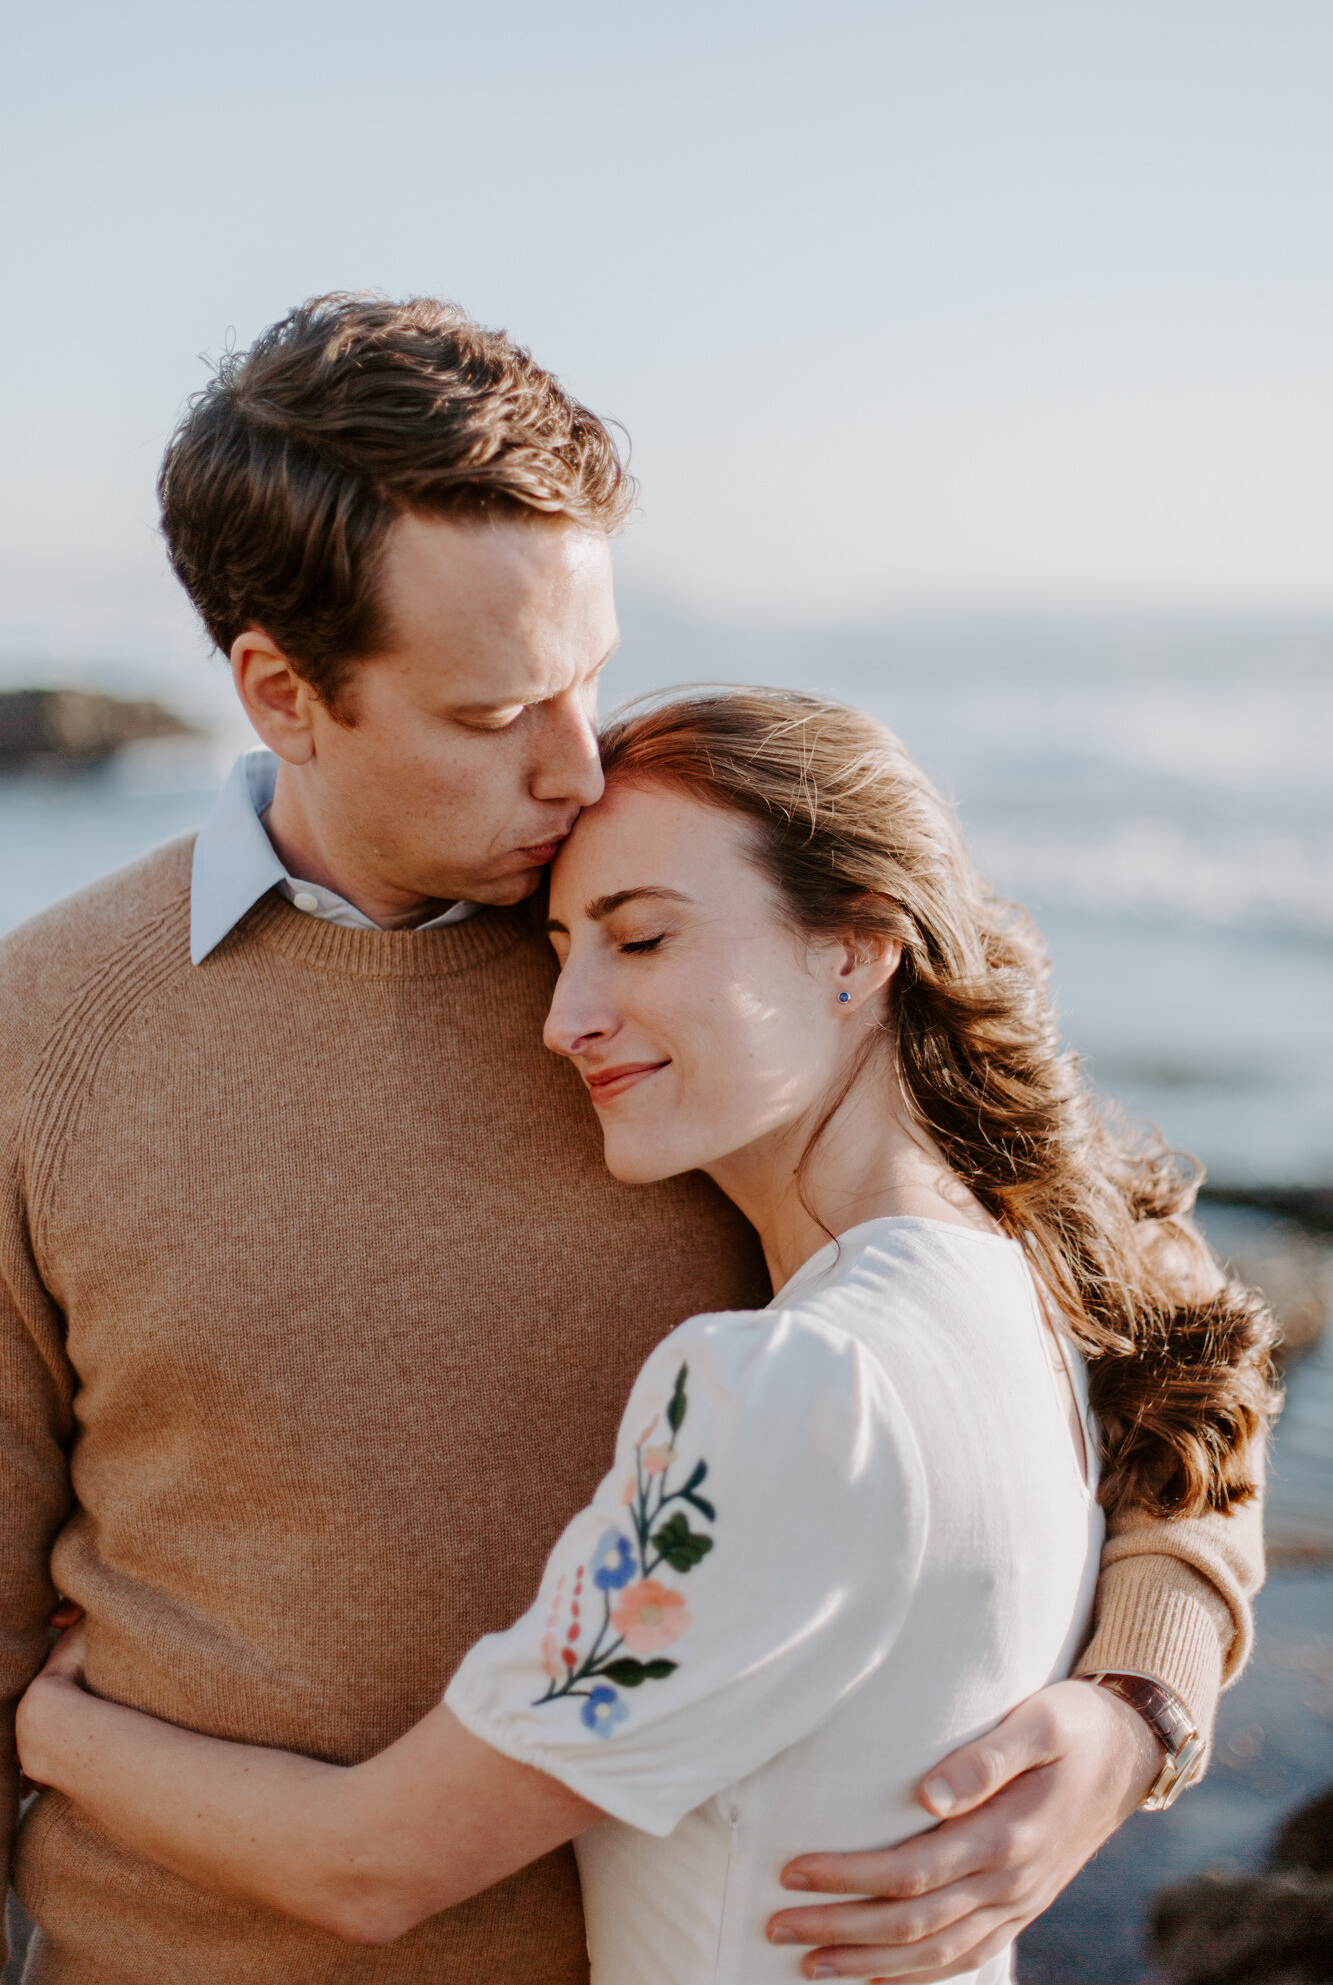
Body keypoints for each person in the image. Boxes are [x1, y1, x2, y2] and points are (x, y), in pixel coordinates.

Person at [0, 295, 1266, 1985]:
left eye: (589, 674)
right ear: (281, 691)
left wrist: (1132, 1703)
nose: (575, 760)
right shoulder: (46, 1039)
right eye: (493, 712)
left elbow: (1171, 1344)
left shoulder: (695, 941)